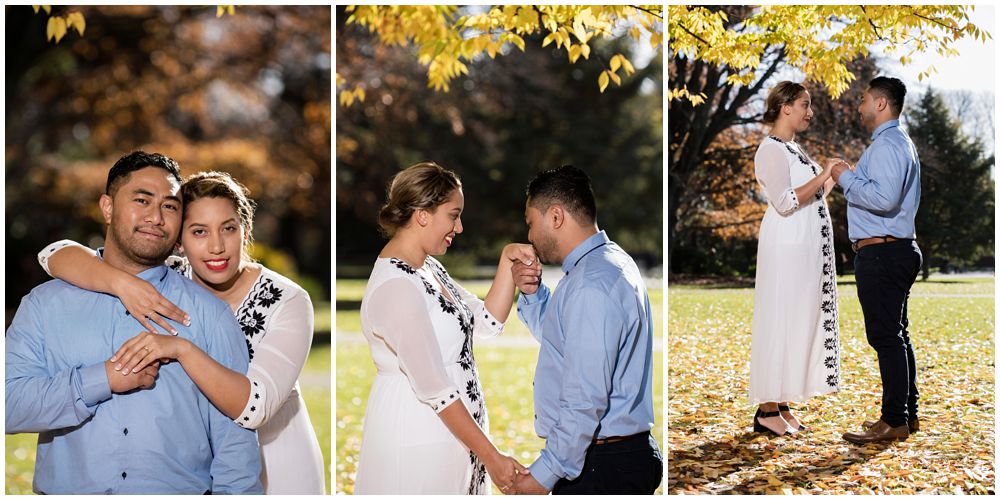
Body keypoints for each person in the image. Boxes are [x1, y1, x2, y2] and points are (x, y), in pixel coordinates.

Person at [35, 170, 324, 493]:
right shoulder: (169, 277)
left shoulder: (287, 300)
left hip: (275, 456)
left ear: (246, 232)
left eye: (228, 229)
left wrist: (181, 348)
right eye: (199, 232)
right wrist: (121, 283)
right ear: (179, 241)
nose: (216, 247)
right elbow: (53, 254)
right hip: (199, 463)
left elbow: (256, 407)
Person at [6, 151, 262, 494]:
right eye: (142, 200)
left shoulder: (208, 315)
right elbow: (8, 405)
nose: (156, 217)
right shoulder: (45, 305)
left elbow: (235, 445)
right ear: (107, 207)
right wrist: (102, 379)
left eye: (170, 206)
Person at [356, 162, 532, 494]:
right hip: (419, 434)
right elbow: (435, 388)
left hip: (455, 433)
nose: (460, 227)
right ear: (423, 214)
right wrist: (492, 456)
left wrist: (507, 263)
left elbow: (485, 322)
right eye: (453, 215)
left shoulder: (429, 269)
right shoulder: (397, 287)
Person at [509, 165, 662, 494]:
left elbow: (584, 399)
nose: (531, 236)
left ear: (556, 216)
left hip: (602, 468)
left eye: (530, 223)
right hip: (610, 458)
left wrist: (543, 475)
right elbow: (568, 342)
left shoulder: (591, 283)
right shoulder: (603, 264)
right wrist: (534, 294)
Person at [749, 81, 846, 436]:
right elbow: (787, 202)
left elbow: (814, 196)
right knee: (780, 319)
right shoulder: (771, 150)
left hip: (802, 249)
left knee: (795, 321)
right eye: (805, 105)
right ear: (785, 107)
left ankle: (782, 402)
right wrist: (823, 173)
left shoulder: (793, 148)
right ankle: (766, 409)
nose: (810, 112)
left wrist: (831, 175)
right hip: (785, 248)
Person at [833, 76, 922, 444]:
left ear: (881, 104)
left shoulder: (888, 145)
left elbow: (884, 199)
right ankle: (906, 414)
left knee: (886, 338)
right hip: (892, 249)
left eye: (864, 100)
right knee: (897, 337)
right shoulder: (896, 143)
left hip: (883, 251)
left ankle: (894, 420)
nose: (859, 106)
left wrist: (844, 178)